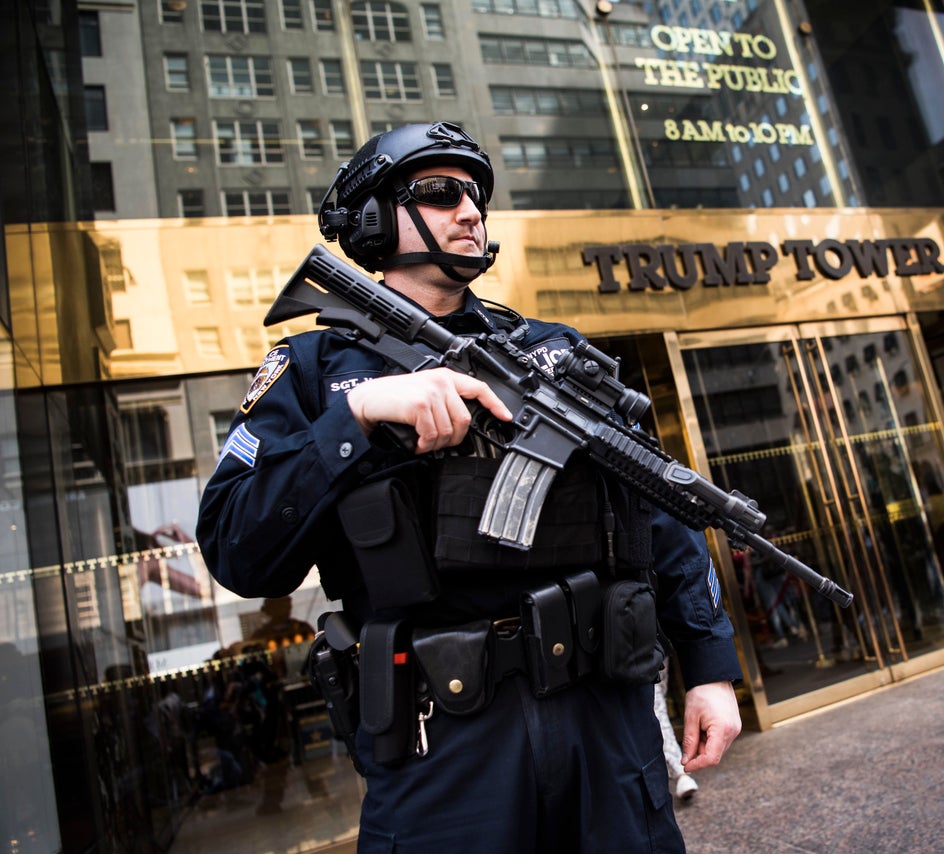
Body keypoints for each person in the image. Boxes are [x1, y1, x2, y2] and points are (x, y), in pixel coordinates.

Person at [195, 121, 741, 851]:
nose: (471, 210)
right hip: (440, 747)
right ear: (373, 216)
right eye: (440, 192)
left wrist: (710, 667)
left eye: (477, 194)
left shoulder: (553, 353)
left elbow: (658, 509)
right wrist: (357, 417)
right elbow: (236, 548)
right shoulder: (313, 372)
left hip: (604, 723)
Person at [653, 658, 698, 801]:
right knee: (655, 699)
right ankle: (679, 771)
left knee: (656, 697)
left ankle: (678, 771)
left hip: (653, 643)